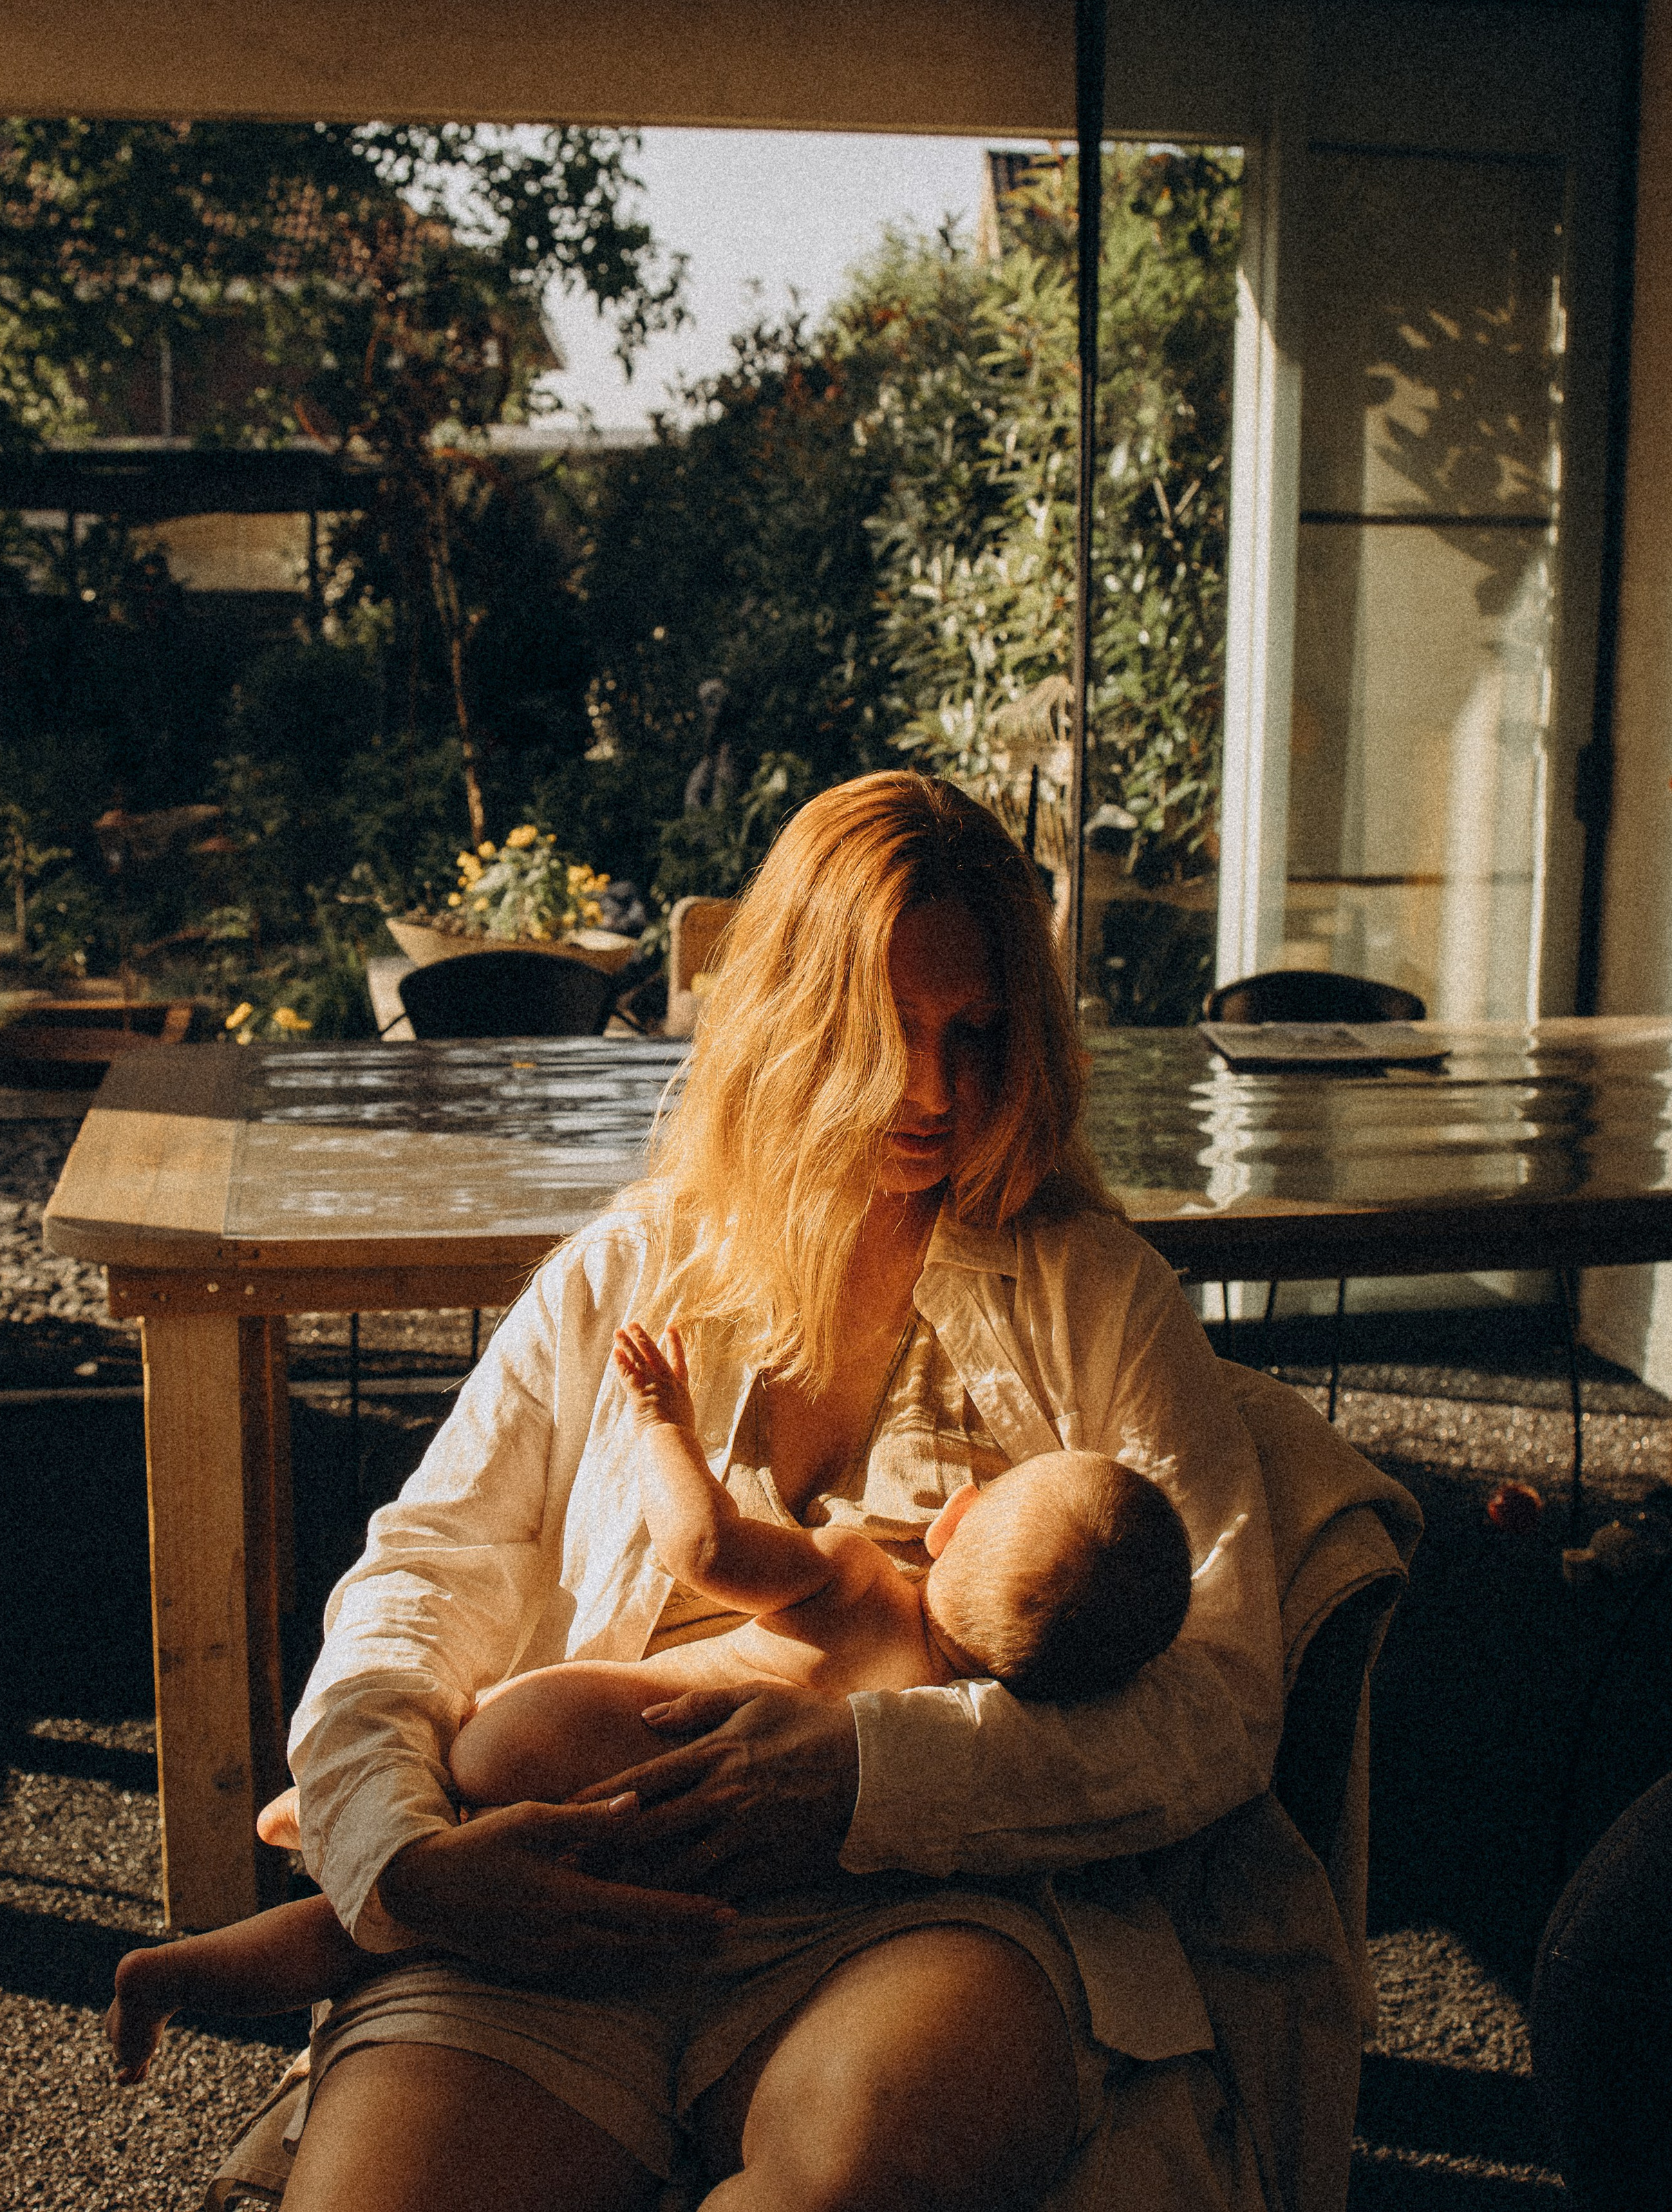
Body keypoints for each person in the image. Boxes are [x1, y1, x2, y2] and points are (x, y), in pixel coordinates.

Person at [229, 771, 1290, 2212]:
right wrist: (400, 1860)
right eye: (887, 1035)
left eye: (973, 1038)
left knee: (863, 2170)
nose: (930, 1091)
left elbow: (1216, 1700)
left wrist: (870, 1780)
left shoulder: (1092, 1296)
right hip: (579, 1888)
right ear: (794, 1024)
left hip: (928, 1913)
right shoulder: (630, 1269)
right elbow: (422, 1578)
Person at [109, 1320, 1192, 2083]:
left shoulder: (855, 1577)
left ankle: (333, 1829)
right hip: (628, 1840)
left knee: (407, 1896)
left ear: (953, 1522)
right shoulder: (947, 1731)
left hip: (542, 1734)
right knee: (357, 1938)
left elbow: (703, 1544)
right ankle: (171, 1977)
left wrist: (660, 1419)